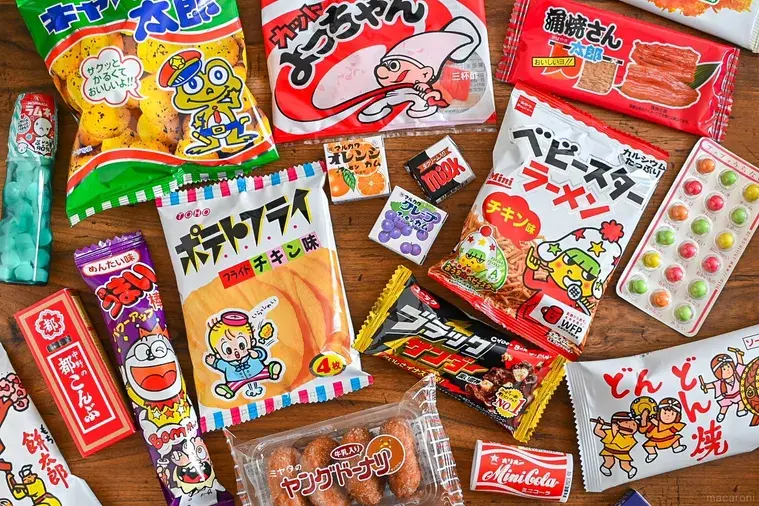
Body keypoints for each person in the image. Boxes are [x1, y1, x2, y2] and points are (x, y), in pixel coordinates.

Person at [704, 350, 748, 422]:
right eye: (724, 369)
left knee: (741, 400)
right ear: (718, 373)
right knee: (724, 406)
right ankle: (722, 414)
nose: (728, 370)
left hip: (739, 394)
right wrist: (705, 386)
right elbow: (713, 385)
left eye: (728, 367)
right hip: (728, 397)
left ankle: (741, 410)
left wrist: (738, 355)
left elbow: (740, 364)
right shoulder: (721, 382)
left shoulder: (737, 374)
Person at [639, 398, 687, 463]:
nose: (668, 416)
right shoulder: (652, 423)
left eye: (672, 414)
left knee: (676, 439)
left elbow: (668, 428)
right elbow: (643, 430)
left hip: (670, 439)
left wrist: (656, 423)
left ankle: (676, 447)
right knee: (648, 446)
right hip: (655, 441)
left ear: (677, 416)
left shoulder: (674, 424)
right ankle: (652, 454)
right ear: (659, 413)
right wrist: (643, 419)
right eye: (664, 413)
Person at [593, 411, 638, 479]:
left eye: (634, 424)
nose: (630, 426)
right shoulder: (609, 432)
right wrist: (599, 425)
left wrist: (615, 432)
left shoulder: (630, 438)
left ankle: (630, 470)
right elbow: (597, 432)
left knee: (624, 465)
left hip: (623, 453)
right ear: (616, 424)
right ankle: (605, 467)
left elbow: (622, 444)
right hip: (609, 451)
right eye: (626, 422)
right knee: (610, 462)